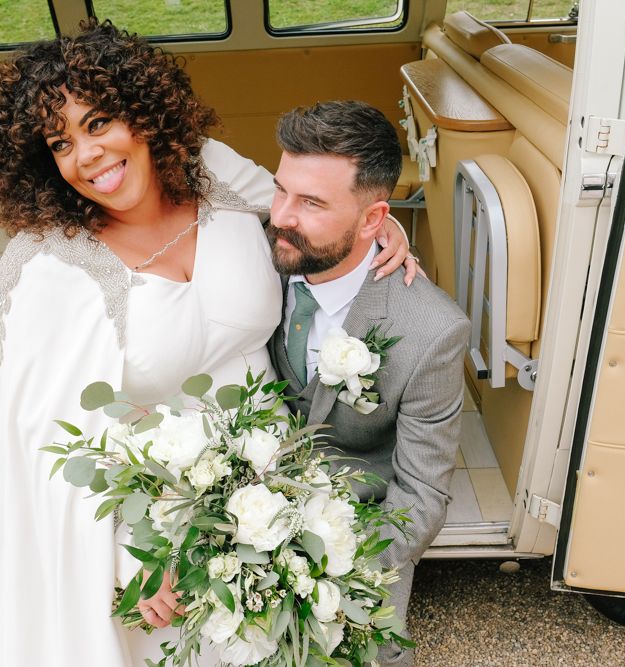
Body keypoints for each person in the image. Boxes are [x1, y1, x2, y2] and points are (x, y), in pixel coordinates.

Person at [0, 20, 416, 667]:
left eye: (100, 121)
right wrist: (122, 548)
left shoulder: (210, 169)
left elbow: (304, 216)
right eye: (60, 142)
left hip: (273, 473)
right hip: (148, 515)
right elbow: (40, 441)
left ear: (142, 112)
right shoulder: (47, 265)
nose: (86, 154)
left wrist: (373, 236)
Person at [266, 100, 471, 666]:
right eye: (281, 189)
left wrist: (333, 569)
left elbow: (422, 494)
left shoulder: (432, 331)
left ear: (373, 219)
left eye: (310, 203)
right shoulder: (259, 257)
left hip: (355, 527)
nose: (282, 215)